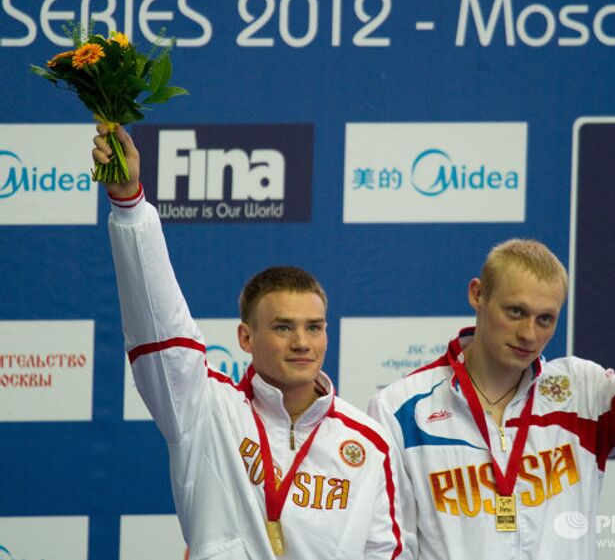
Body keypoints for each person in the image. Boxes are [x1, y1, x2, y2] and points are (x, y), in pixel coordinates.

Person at [93, 124, 415, 560]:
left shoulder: (369, 441)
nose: (302, 342)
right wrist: (130, 207)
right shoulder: (205, 410)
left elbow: (386, 553)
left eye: (314, 327)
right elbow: (159, 326)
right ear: (246, 337)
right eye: (283, 327)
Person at [368, 235, 615, 559]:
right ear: (477, 294)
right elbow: (386, 544)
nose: (529, 334)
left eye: (546, 319)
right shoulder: (402, 409)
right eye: (516, 312)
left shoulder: (582, 392)